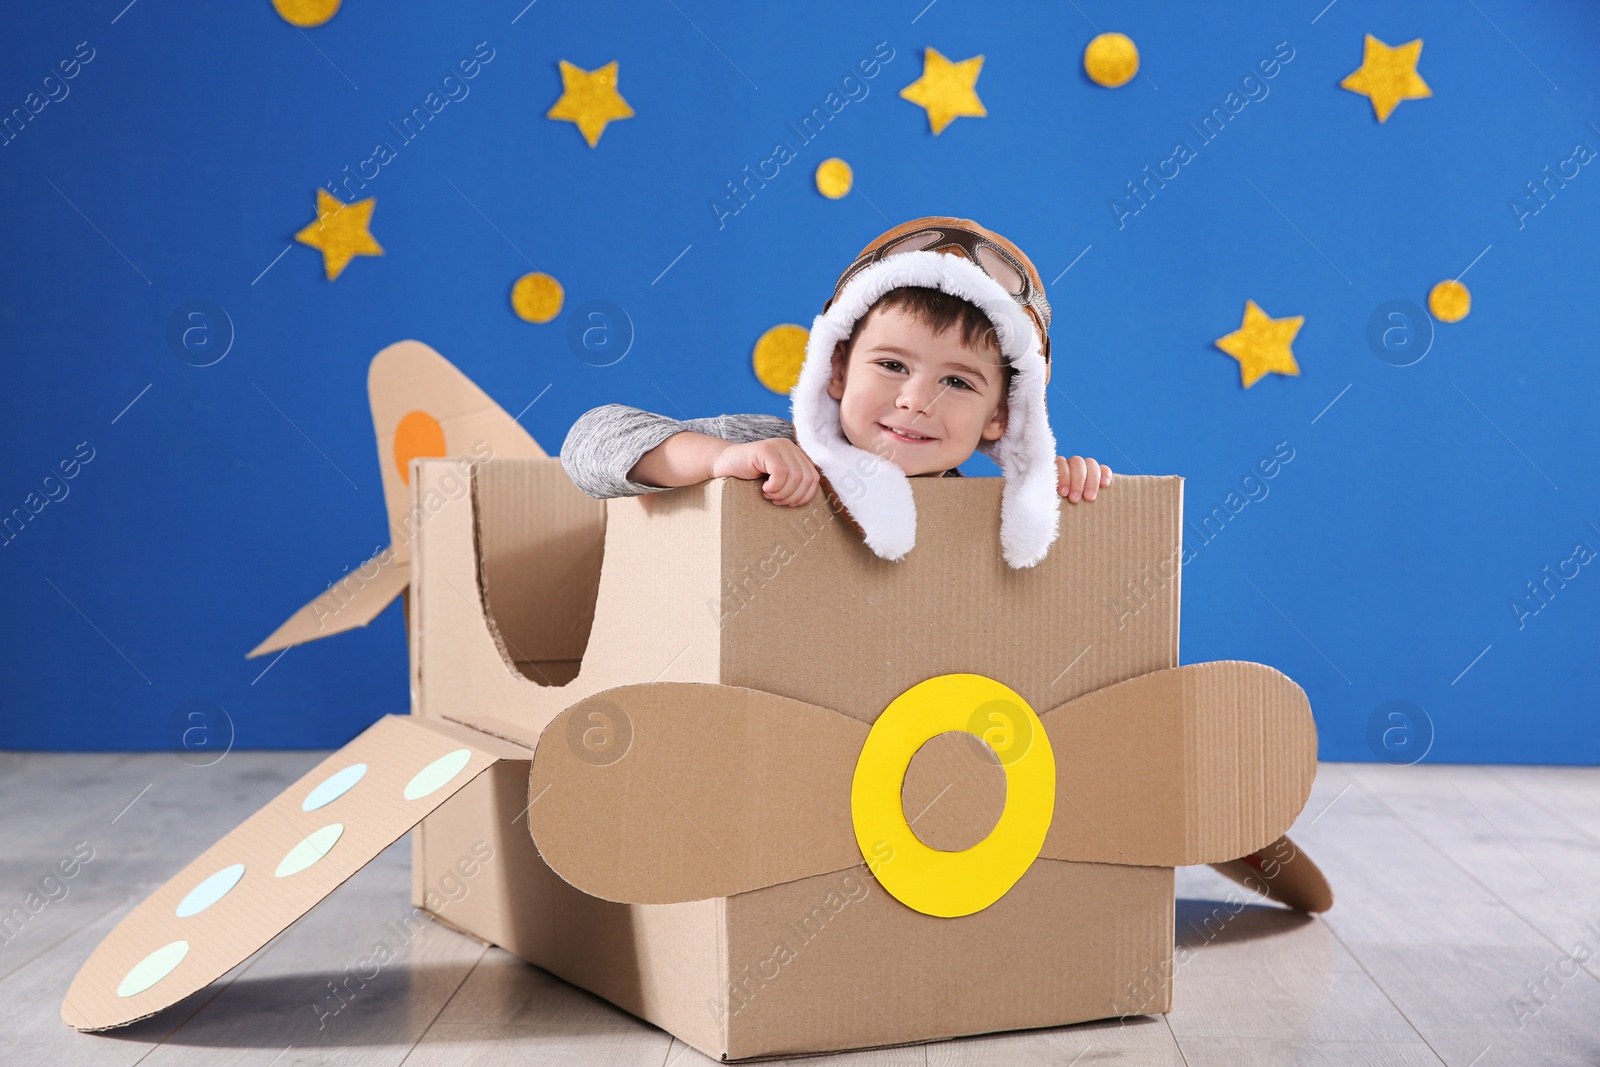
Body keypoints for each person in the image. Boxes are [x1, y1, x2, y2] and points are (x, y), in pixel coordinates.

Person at [560, 216, 1111, 569]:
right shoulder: (769, 452)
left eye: (957, 382)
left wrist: (1058, 496)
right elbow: (589, 443)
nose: (916, 400)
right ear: (838, 370)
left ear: (1001, 417)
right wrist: (720, 458)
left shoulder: (976, 516)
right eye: (893, 364)